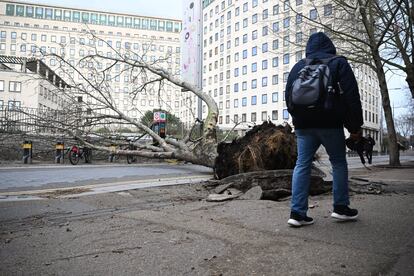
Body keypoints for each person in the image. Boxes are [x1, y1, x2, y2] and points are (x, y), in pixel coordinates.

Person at [285, 32, 363, 227]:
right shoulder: (338, 63)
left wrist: (298, 121)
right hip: (330, 123)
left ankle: (297, 213)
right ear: (330, 46)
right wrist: (354, 127)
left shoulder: (299, 66)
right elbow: (352, 96)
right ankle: (340, 208)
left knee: (302, 164)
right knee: (337, 163)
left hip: (303, 126)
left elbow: (288, 97)